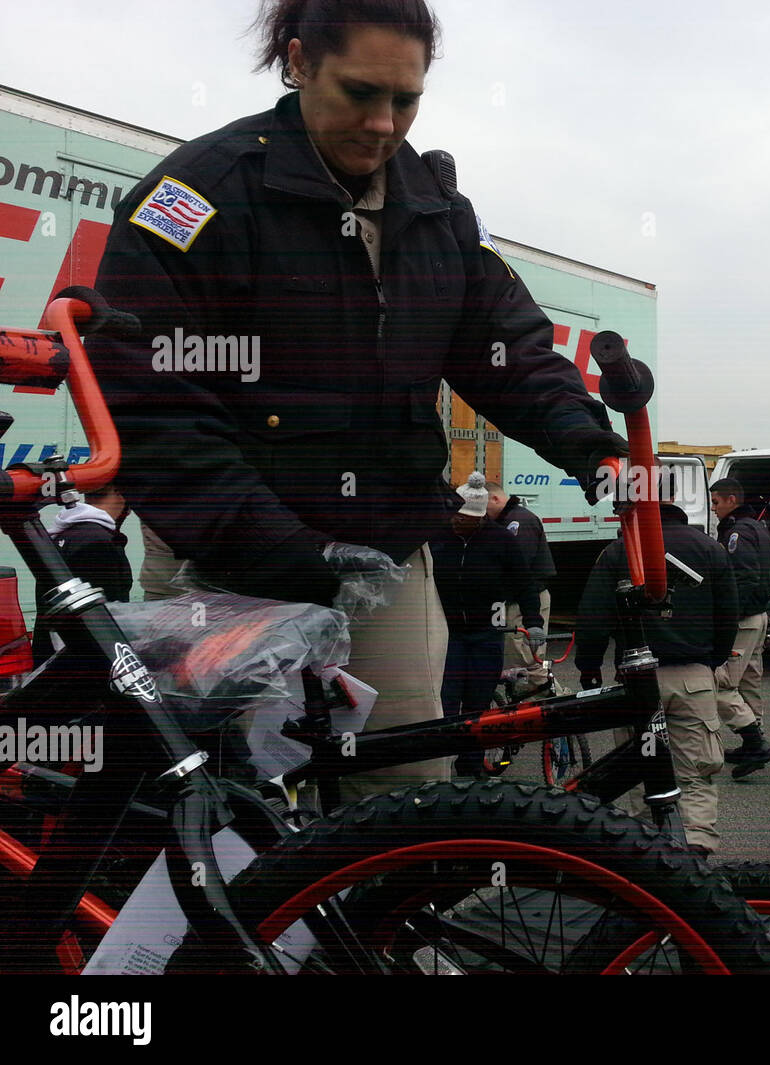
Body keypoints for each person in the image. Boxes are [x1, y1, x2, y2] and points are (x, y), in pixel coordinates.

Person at [85, 0, 626, 800]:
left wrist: (593, 445)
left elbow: (505, 350)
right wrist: (289, 552)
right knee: (223, 808)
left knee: (406, 793)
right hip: (223, 566)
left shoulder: (435, 209)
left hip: (385, 564)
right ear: (299, 62)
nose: (382, 124)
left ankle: (380, 924)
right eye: (359, 93)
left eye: (405, 101)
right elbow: (151, 401)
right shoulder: (199, 197)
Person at [575, 475, 738, 855]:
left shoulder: (618, 551)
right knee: (696, 771)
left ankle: (646, 855)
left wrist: (589, 668)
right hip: (692, 677)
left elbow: (593, 617)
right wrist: (709, 661)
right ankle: (696, 851)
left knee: (637, 769)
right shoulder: (710, 549)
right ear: (673, 497)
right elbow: (729, 614)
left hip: (635, 682)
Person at [430, 473, 543, 776]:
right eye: (455, 515)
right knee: (446, 703)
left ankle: (470, 770)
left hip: (486, 635)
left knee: (477, 708)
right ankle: (439, 769)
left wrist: (534, 622)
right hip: (448, 634)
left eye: (464, 518)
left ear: (478, 518)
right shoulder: (439, 535)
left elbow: (524, 583)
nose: (457, 521)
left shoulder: (500, 539)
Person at [709, 477, 770, 777]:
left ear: (731, 500)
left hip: (743, 619)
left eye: (715, 502)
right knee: (750, 678)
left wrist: (727, 616)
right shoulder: (757, 527)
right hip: (758, 615)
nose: (713, 509)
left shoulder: (738, 533)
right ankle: (755, 740)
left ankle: (754, 741)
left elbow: (742, 577)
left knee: (720, 683)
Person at [32, 484, 134, 661]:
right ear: (120, 492)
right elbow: (106, 623)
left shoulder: (66, 532)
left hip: (52, 665)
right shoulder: (97, 542)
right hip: (80, 672)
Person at [486, 480, 555, 683]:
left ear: (495, 498)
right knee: (516, 657)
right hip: (517, 600)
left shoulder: (519, 522)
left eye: (483, 505)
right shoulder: (507, 521)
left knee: (526, 659)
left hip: (525, 601)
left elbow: (518, 569)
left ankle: (539, 700)